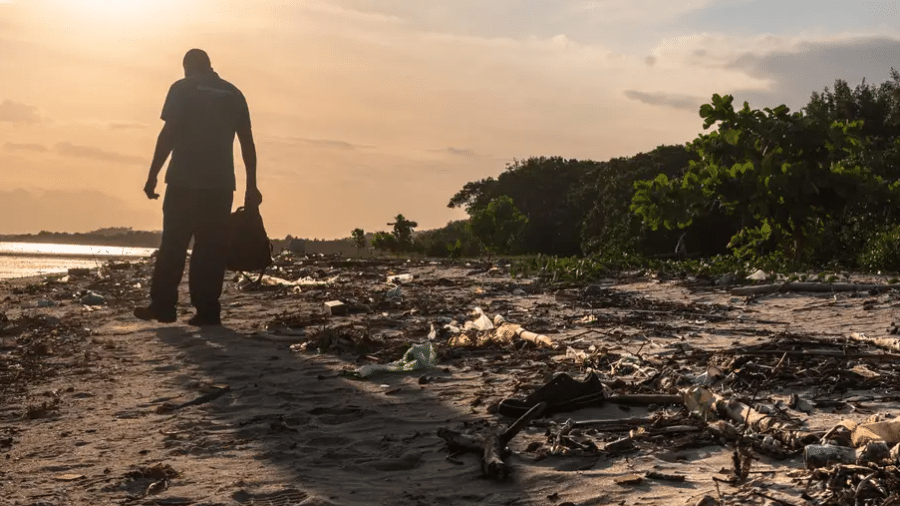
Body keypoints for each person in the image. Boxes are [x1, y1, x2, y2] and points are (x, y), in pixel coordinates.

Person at [134, 49, 262, 326]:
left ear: (187, 67)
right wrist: (251, 186)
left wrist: (152, 175)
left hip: (184, 181)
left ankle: (164, 306)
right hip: (220, 185)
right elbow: (247, 144)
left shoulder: (182, 88)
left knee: (173, 245)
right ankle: (207, 311)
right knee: (210, 248)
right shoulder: (234, 94)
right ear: (209, 65)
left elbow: (169, 134)